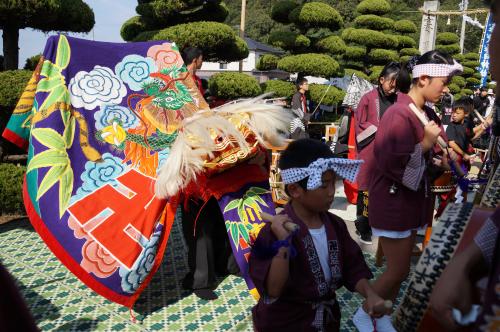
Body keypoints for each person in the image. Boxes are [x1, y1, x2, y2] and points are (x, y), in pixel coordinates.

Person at [353, 50, 463, 332]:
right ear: (423, 79)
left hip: (408, 202)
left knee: (399, 272)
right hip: (393, 203)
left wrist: (435, 157)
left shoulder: (422, 111)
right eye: (444, 81)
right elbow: (391, 164)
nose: (446, 88)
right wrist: (425, 146)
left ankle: (380, 314)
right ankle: (365, 312)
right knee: (398, 270)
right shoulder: (399, 113)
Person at [249, 138, 389, 332]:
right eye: (324, 185)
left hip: (325, 321)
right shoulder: (272, 233)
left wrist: (370, 294)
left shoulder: (336, 225)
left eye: (333, 183)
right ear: (295, 190)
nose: (332, 192)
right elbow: (273, 290)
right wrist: (283, 242)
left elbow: (353, 266)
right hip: (285, 323)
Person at [430, 2, 500, 329]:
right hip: (445, 172)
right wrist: (467, 259)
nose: (490, 40)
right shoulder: (429, 120)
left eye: (496, 20)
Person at [354, 62, 407, 245]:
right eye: (390, 82)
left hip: (391, 152)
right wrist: (381, 129)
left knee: (387, 190)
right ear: (381, 79)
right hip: (371, 151)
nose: (393, 87)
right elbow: (360, 124)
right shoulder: (368, 99)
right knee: (366, 190)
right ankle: (363, 227)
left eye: (396, 83)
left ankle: (381, 224)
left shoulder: (399, 99)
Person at [447, 97, 476, 169]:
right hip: (456, 159)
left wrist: (482, 128)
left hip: (465, 158)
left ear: (466, 114)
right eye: (453, 112)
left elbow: (470, 136)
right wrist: (464, 154)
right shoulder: (451, 126)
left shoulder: (467, 123)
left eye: (457, 113)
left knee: (464, 174)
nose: (454, 115)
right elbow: (451, 143)